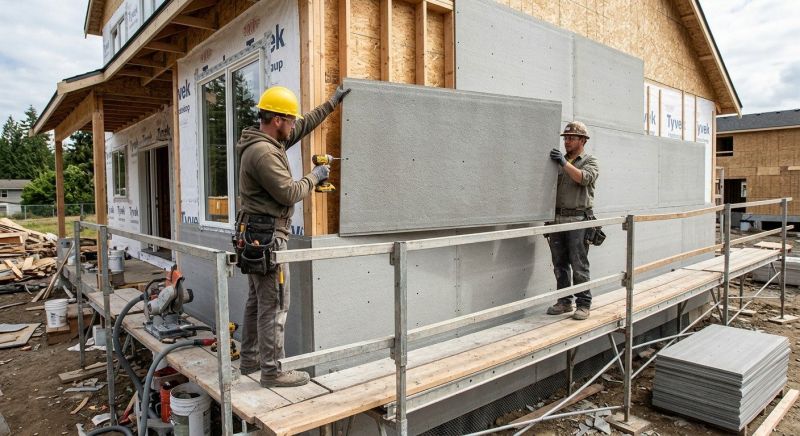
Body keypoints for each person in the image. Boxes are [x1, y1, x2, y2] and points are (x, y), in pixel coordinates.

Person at [235, 84, 350, 387]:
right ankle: (272, 372)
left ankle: (250, 362)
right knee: (274, 304)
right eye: (289, 120)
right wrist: (316, 176)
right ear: (276, 120)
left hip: (256, 235)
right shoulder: (263, 154)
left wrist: (331, 104)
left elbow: (301, 126)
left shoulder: (267, 142)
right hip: (268, 238)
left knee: (256, 301)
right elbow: (288, 193)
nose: (292, 125)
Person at [546, 121, 599, 321]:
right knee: (559, 263)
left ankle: (584, 304)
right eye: (566, 138)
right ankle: (564, 302)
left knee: (579, 264)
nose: (567, 141)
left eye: (572, 138)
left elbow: (583, 178)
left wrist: (563, 163)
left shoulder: (589, 161)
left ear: (583, 141)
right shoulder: (559, 162)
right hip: (558, 218)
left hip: (578, 218)